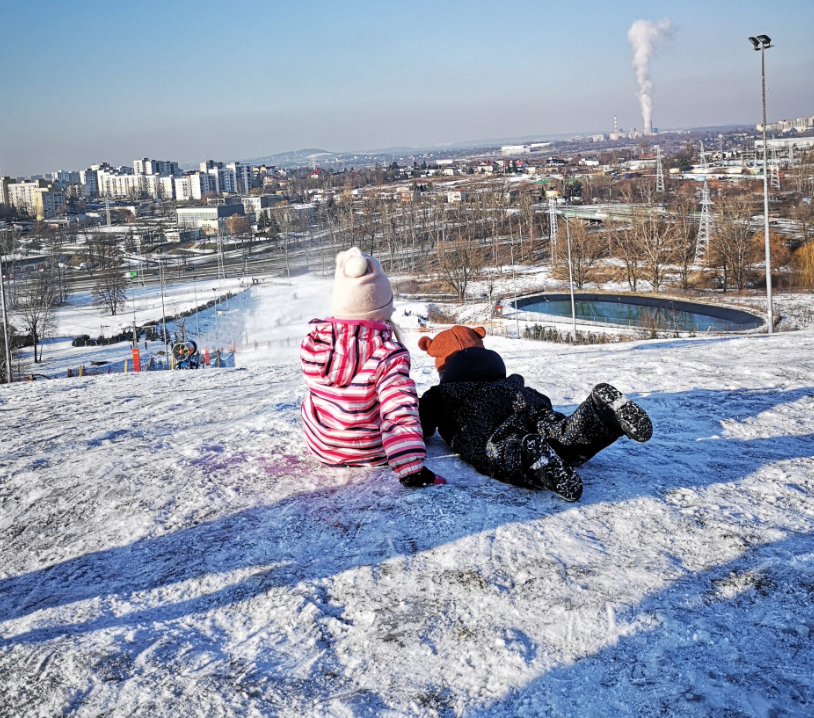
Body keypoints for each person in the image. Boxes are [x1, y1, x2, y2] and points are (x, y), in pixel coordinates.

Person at [418, 326, 652, 501]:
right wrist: (541, 412)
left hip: (483, 421)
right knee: (559, 432)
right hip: (525, 401)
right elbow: (541, 399)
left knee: (497, 450)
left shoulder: (444, 392)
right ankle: (602, 415)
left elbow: (421, 422)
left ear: (443, 369)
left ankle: (532, 457)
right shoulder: (507, 380)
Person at [301, 248, 445, 488]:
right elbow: (399, 409)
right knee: (406, 402)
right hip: (371, 451)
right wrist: (411, 469)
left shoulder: (314, 343)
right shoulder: (388, 353)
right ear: (383, 308)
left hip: (322, 447)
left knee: (314, 397)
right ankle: (402, 453)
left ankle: (331, 436)